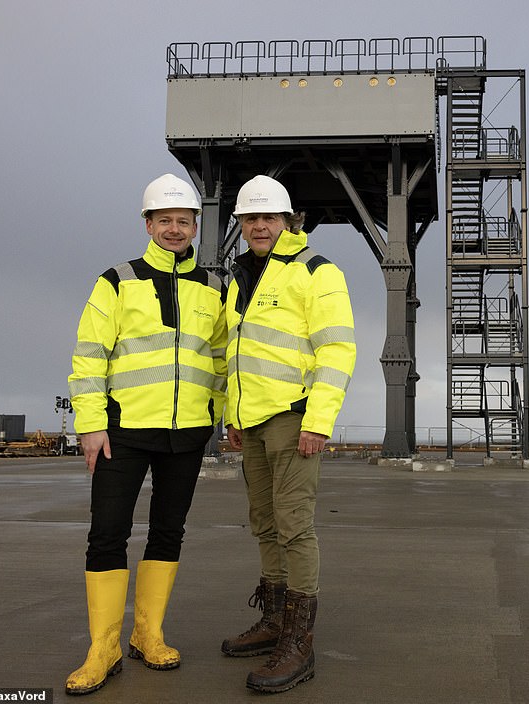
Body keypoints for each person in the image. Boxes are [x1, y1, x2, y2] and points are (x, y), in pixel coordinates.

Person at [65, 173, 227, 695]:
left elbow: (222, 358)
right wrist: (90, 424)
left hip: (187, 435)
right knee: (107, 533)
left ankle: (147, 634)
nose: (175, 229)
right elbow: (90, 355)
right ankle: (102, 647)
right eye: (165, 221)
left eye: (184, 221)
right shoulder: (116, 281)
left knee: (167, 532)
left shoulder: (213, 287)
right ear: (148, 224)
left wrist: (216, 415)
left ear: (196, 225)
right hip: (124, 432)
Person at [221, 175, 356, 693]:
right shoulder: (241, 278)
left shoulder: (316, 272)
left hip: (294, 418)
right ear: (241, 224)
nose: (259, 226)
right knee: (265, 521)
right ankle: (275, 619)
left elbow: (337, 349)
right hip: (251, 423)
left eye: (268, 218)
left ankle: (300, 641)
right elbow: (239, 354)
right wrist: (232, 416)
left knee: (294, 524)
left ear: (287, 221)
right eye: (250, 219)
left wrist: (319, 420)